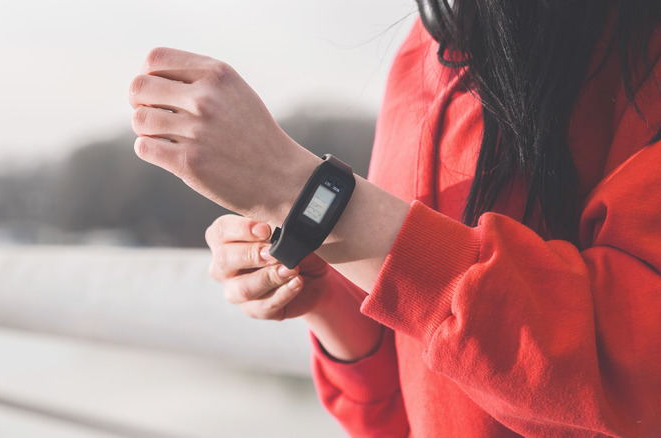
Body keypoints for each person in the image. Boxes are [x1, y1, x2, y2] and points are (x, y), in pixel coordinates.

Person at [128, 1, 661, 436]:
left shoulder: (640, 41)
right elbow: (408, 418)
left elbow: (639, 373)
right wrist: (336, 300)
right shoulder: (421, 47)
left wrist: (301, 191)